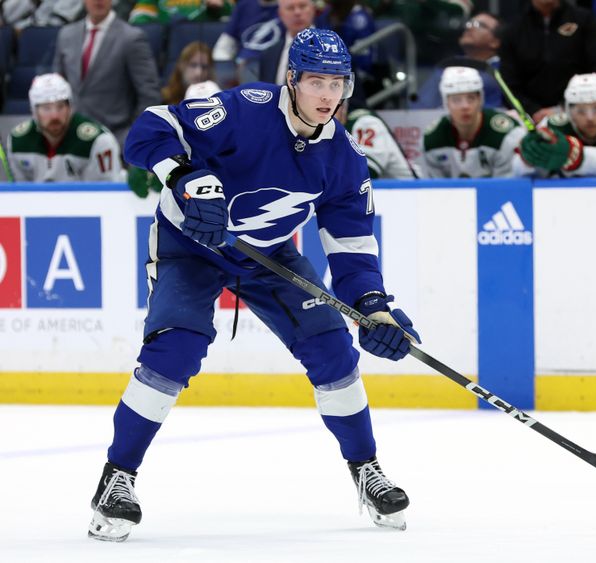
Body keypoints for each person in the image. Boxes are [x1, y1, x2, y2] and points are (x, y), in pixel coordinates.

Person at [88, 28, 418, 542]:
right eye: (316, 82)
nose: (328, 96)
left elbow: (351, 249)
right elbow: (151, 127)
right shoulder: (246, 109)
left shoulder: (344, 160)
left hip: (269, 256)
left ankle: (366, 469)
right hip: (189, 244)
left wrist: (373, 307)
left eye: (338, 84)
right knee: (174, 350)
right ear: (292, 80)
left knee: (334, 351)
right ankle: (117, 478)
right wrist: (183, 178)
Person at [52, 0, 161, 148]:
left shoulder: (131, 38)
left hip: (115, 137)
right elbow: (56, 87)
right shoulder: (66, 35)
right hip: (71, 138)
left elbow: (149, 94)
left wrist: (134, 136)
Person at [499, 0, 596, 124]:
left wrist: (565, 107)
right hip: (530, 118)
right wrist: (533, 111)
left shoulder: (584, 19)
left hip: (582, 111)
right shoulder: (513, 28)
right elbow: (508, 84)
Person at [6, 73, 122, 182]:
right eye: (46, 108)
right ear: (34, 112)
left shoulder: (98, 141)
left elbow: (105, 193)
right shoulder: (18, 141)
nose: (54, 115)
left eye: (60, 106)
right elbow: (19, 194)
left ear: (70, 108)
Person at [423, 66, 526, 178]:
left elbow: (507, 189)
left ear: (480, 100)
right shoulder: (432, 139)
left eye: (471, 98)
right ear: (446, 103)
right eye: (456, 100)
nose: (465, 106)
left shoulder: (506, 135)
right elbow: (434, 190)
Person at [128, 80, 223, 197]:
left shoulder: (237, 145)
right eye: (197, 110)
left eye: (211, 112)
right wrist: (159, 170)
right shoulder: (171, 145)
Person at [412, 12, 505, 109]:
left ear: (495, 42)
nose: (469, 28)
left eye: (480, 25)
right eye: (469, 23)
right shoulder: (448, 66)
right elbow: (421, 106)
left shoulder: (504, 71)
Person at [335, 99, 420, 179]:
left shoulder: (365, 122)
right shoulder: (330, 134)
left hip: (409, 191)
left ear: (343, 107)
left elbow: (365, 174)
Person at [257, 0, 316, 84]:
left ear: (313, 9)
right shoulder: (268, 55)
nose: (297, 12)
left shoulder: (331, 48)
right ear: (280, 14)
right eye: (290, 8)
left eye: (302, 6)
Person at [212, 0, 280, 63]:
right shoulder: (244, 5)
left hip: (276, 66)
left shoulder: (287, 7)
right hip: (242, 66)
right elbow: (224, 46)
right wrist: (225, 68)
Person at [128, 0, 233, 24]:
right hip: (168, 45)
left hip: (203, 47)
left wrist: (222, 6)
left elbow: (236, 15)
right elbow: (138, 16)